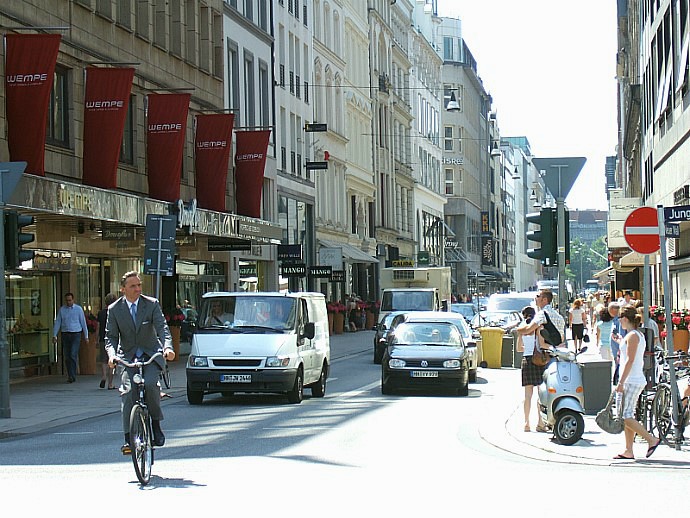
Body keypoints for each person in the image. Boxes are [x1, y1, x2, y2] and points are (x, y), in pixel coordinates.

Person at [105, 271, 175, 455]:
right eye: (132, 286)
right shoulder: (114, 309)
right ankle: (128, 438)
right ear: (123, 289)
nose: (137, 289)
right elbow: (110, 337)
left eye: (139, 285)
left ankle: (156, 424)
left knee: (151, 384)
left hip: (150, 354)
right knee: (128, 392)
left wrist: (167, 348)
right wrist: (112, 356)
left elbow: (163, 329)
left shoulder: (151, 304)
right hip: (127, 357)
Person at [612, 305, 660, 460]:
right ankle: (628, 449)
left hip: (631, 380)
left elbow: (630, 360)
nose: (619, 322)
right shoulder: (633, 335)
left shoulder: (632, 336)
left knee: (625, 416)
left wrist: (621, 382)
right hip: (633, 379)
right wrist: (620, 341)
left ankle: (651, 439)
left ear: (625, 319)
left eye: (620, 319)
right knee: (628, 414)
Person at [515, 305, 547, 433]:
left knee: (527, 396)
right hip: (538, 361)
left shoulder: (522, 328)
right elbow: (542, 343)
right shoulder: (537, 327)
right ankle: (540, 422)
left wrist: (527, 349)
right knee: (541, 394)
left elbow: (518, 348)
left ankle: (526, 423)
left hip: (526, 361)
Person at [52, 292, 89, 383]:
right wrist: (54, 335)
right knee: (67, 356)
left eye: (70, 300)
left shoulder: (78, 309)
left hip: (76, 333)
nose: (68, 302)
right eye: (67, 300)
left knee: (73, 354)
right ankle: (70, 375)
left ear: (73, 300)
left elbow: (83, 322)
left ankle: (72, 375)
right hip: (65, 334)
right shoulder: (62, 310)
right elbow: (58, 322)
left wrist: (86, 336)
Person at [97, 293, 118, 389]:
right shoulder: (115, 313)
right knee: (112, 360)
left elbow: (98, 327)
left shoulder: (101, 313)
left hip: (102, 338)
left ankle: (104, 376)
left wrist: (97, 339)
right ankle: (110, 384)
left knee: (103, 360)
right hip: (113, 339)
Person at [608, 302, 624, 384]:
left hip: (619, 351)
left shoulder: (620, 320)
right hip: (617, 351)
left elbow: (621, 336)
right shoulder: (615, 319)